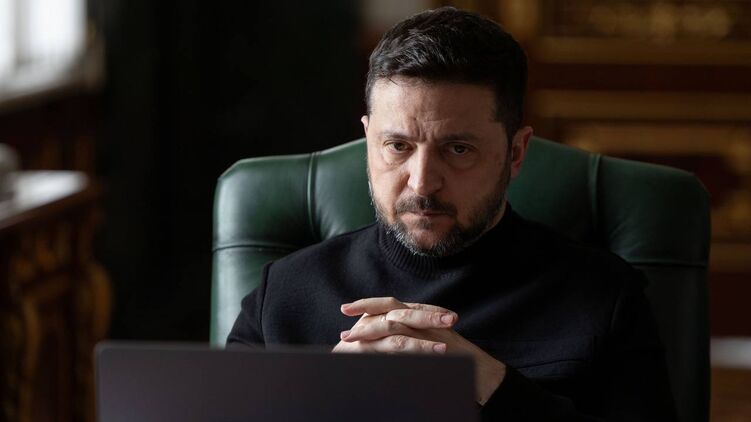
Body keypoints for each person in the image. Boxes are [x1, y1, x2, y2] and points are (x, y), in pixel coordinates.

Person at [227, 7, 677, 421]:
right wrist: (323, 398)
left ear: (515, 153)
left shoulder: (605, 298)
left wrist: (485, 379)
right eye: (398, 146)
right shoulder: (282, 297)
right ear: (368, 141)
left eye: (458, 149)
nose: (422, 183)